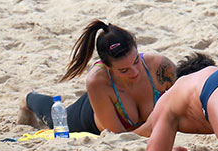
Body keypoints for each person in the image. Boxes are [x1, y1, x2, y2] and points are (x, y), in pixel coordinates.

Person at [18, 20, 177, 136]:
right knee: (57, 120)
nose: (134, 72)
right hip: (89, 117)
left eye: (136, 61)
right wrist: (151, 129)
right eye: (123, 70)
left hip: (135, 127)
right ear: (107, 66)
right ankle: (28, 98)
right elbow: (117, 137)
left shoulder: (159, 66)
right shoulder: (97, 80)